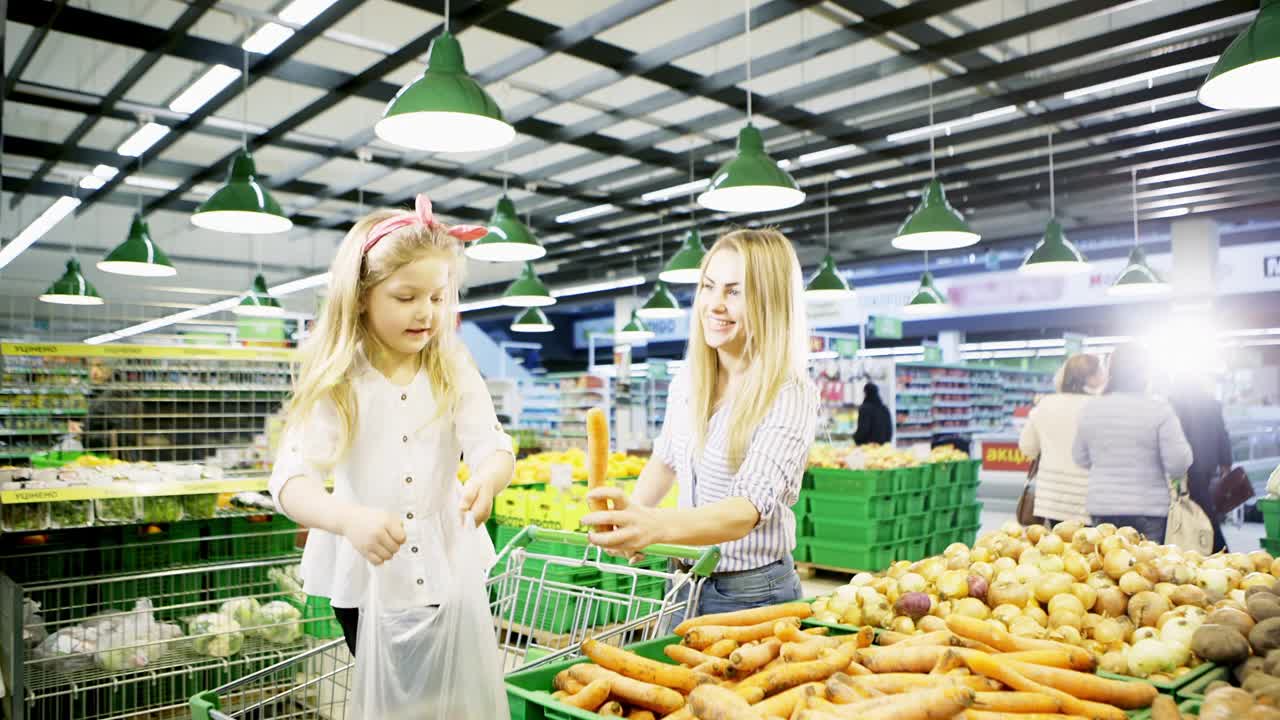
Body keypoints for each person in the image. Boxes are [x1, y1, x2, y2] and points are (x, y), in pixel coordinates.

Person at [268, 195, 514, 712]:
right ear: (361, 296)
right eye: (406, 297)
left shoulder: (451, 365)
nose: (426, 313)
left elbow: (493, 446)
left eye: (438, 297)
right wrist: (346, 518)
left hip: (448, 564)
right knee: (397, 703)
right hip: (367, 574)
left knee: (449, 700)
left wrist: (487, 480)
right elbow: (291, 480)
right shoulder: (340, 379)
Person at [583, 228, 817, 624]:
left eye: (734, 292)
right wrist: (631, 519)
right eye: (709, 287)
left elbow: (746, 510)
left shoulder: (789, 393)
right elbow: (665, 460)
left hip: (752, 595)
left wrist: (655, 526)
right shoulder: (690, 380)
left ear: (769, 301)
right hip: (682, 583)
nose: (715, 304)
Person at [1073, 345, 1193, 543]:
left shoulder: (1091, 408)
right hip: (1148, 509)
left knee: (1107, 568)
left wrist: (1106, 461)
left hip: (1102, 506)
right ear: (1145, 373)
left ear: (1111, 372)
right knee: (1147, 570)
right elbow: (1178, 463)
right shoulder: (1159, 409)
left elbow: (1079, 457)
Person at [1018, 354, 1105, 524]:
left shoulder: (1045, 404)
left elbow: (1027, 447)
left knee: (1059, 546)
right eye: (1101, 372)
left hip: (1052, 498)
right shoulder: (1100, 407)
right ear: (1092, 377)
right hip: (1088, 498)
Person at [1170, 376, 1234, 552]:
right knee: (1200, 506)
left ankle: (1216, 548)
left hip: (1188, 465)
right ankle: (1208, 547)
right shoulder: (1211, 403)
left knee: (1197, 508)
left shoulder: (1174, 403)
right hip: (1207, 463)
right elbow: (1223, 434)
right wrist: (1225, 463)